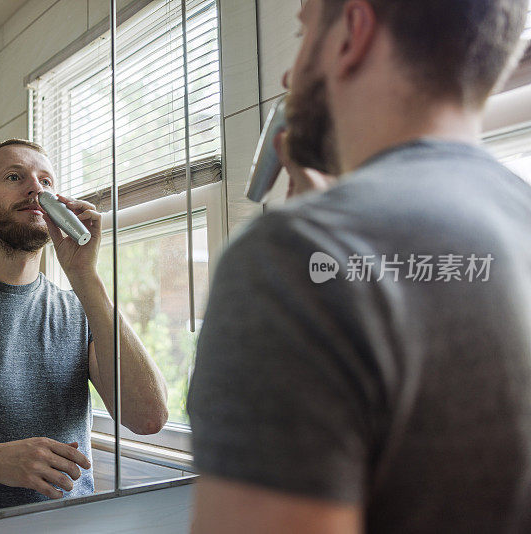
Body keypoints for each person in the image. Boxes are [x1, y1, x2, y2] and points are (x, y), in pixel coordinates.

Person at [187, 0, 531, 532]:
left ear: (353, 31)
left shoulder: (296, 257)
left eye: (303, 36)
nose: (288, 73)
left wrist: (321, 238)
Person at [0, 139, 168, 522]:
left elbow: (149, 418)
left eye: (45, 181)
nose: (35, 189)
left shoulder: (82, 310)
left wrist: (85, 276)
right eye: (14, 176)